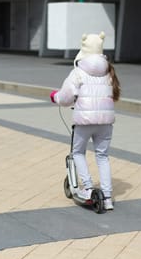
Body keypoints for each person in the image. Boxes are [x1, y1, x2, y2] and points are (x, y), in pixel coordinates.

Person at [50, 32, 120, 210]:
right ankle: (108, 197)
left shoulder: (78, 72)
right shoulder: (109, 71)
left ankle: (88, 188)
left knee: (78, 153)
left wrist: (55, 97)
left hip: (84, 121)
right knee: (102, 156)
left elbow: (65, 98)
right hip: (105, 122)